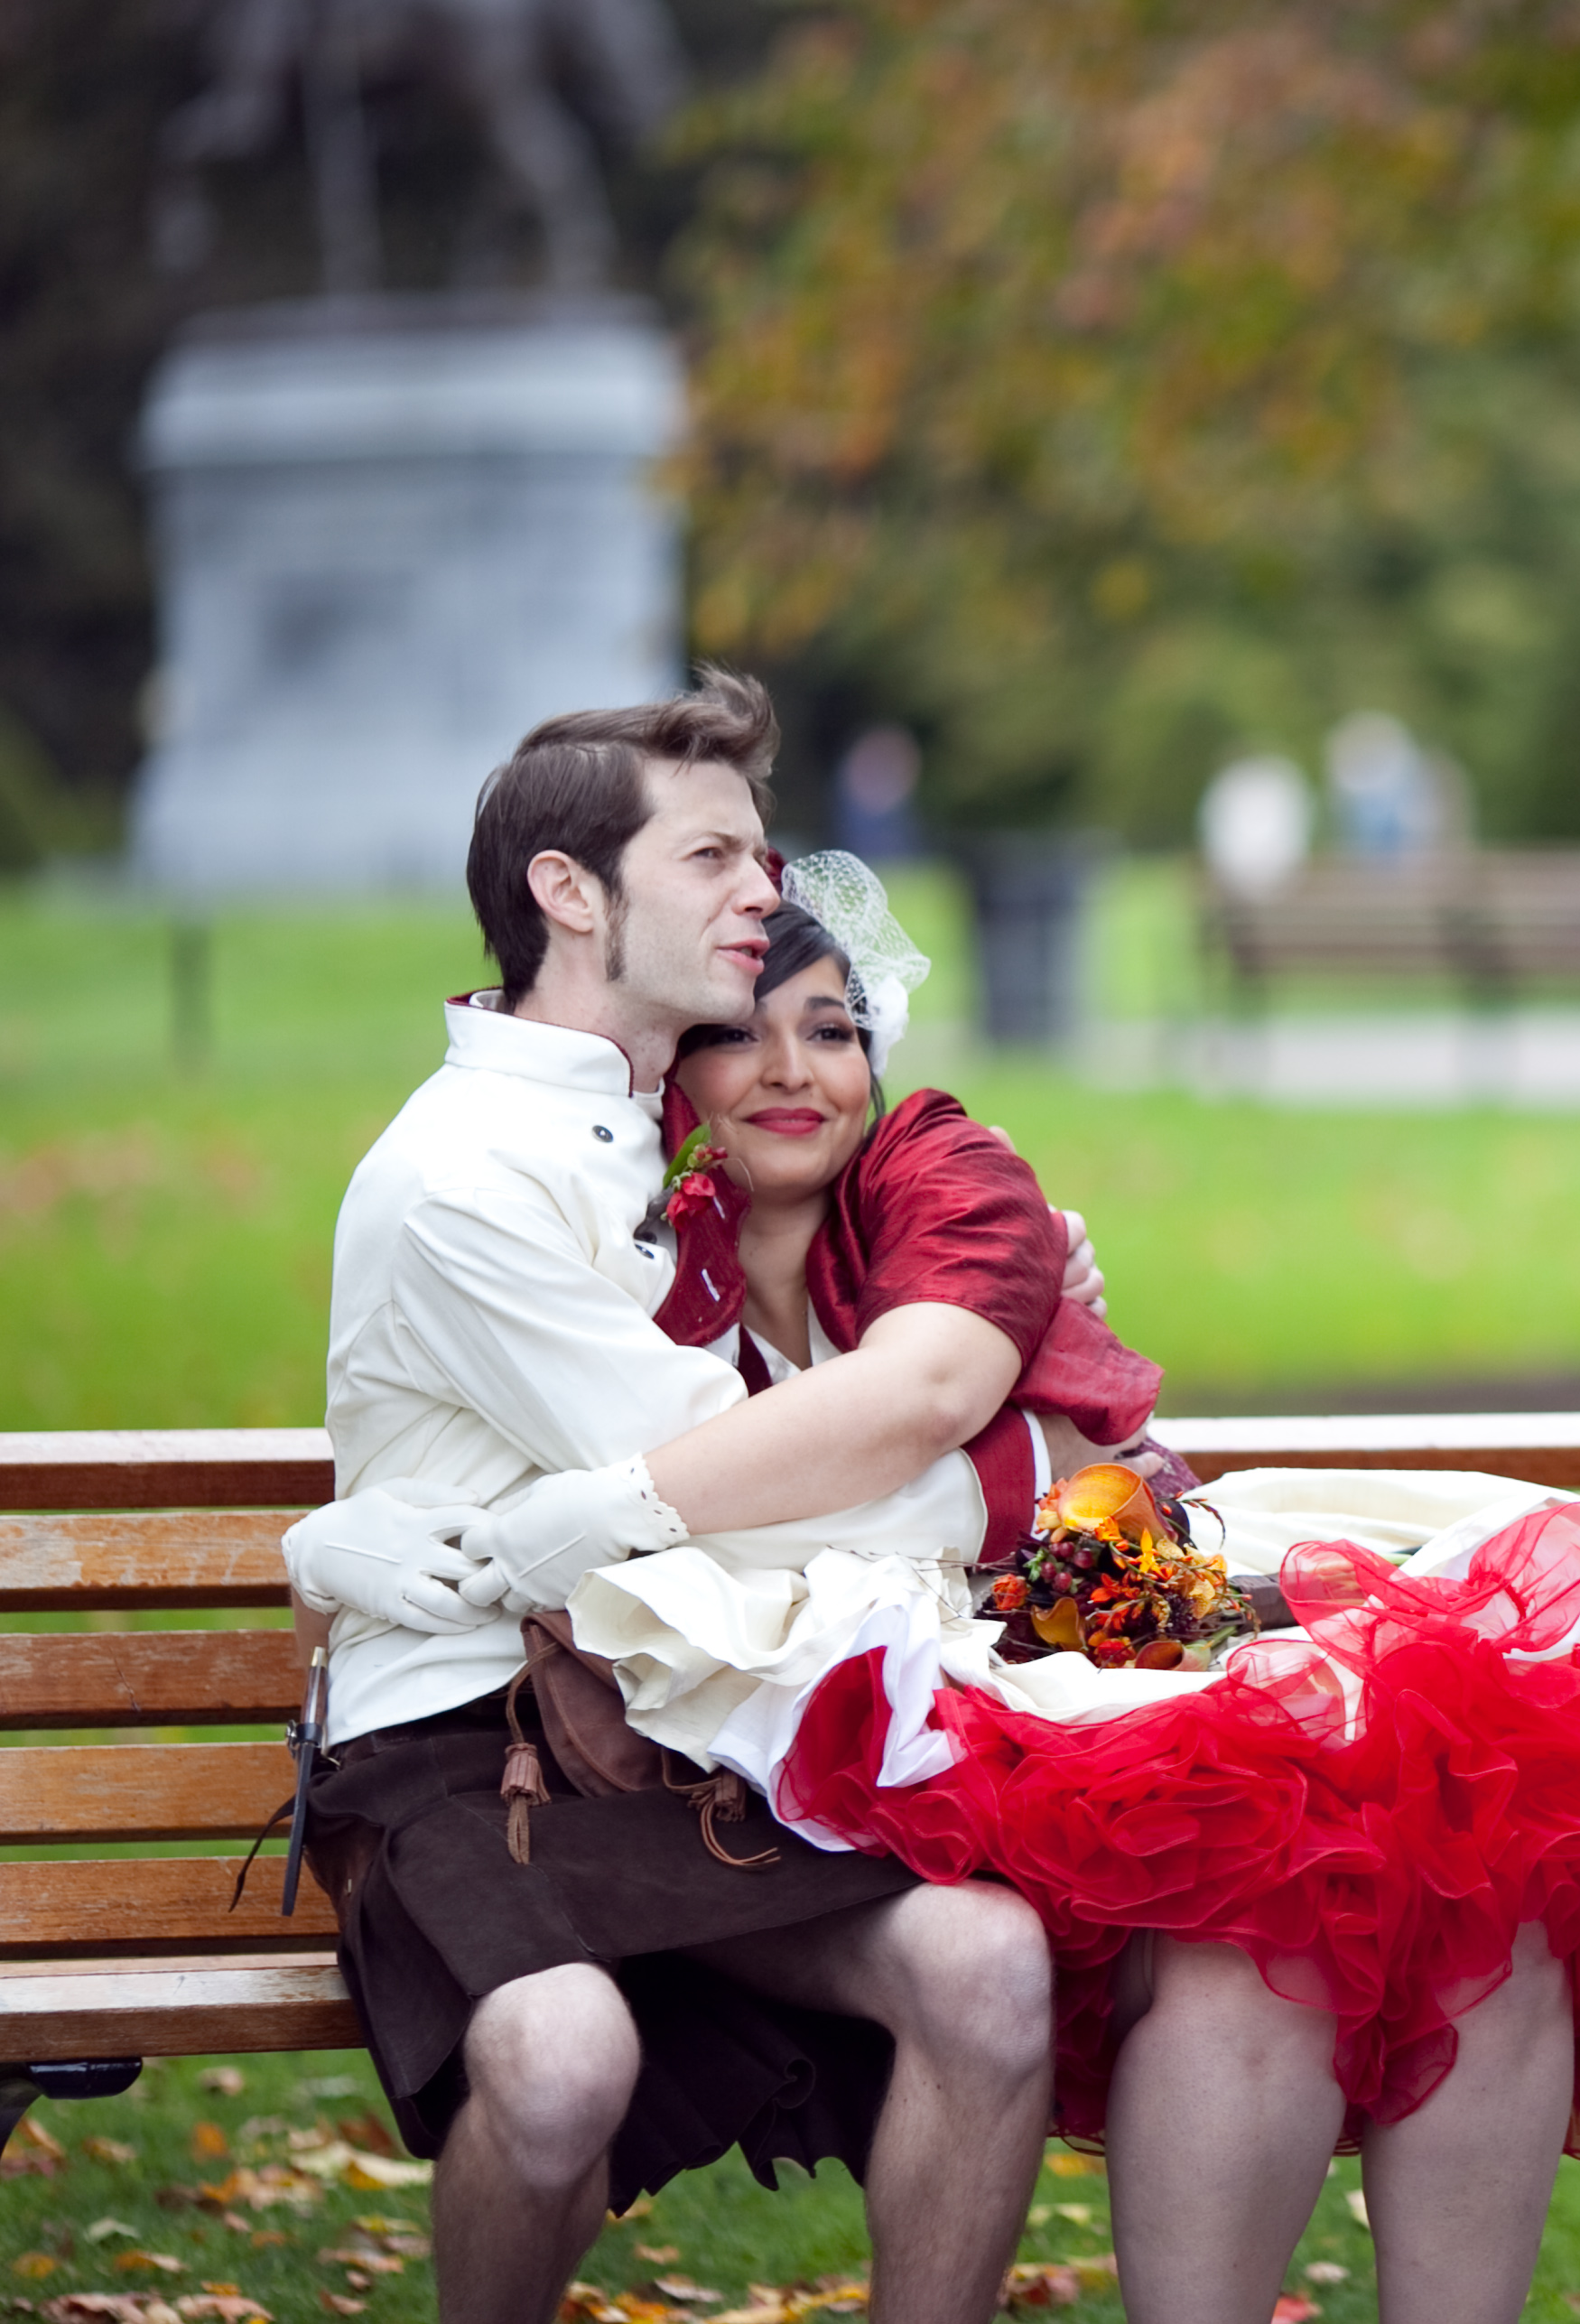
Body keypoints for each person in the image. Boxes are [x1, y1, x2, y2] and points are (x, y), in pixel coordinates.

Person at [542, 864, 1580, 2324]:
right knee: (1256, 1910)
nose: (795, 1069)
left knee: (1488, 1850)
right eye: (742, 1030)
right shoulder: (626, 1254)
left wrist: (1033, 1312)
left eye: (834, 1028)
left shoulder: (939, 1172)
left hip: (1101, 1611)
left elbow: (958, 1409)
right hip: (923, 1722)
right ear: (672, 1061)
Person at [278, 674, 1070, 2324]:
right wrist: (984, 1473)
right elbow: (724, 1481)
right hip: (462, 1735)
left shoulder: (637, 1122)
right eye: (713, 858)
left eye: (763, 856)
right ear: (570, 893)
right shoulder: (467, 1175)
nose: (765, 894)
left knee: (987, 1964)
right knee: (565, 2056)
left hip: (677, 1709)